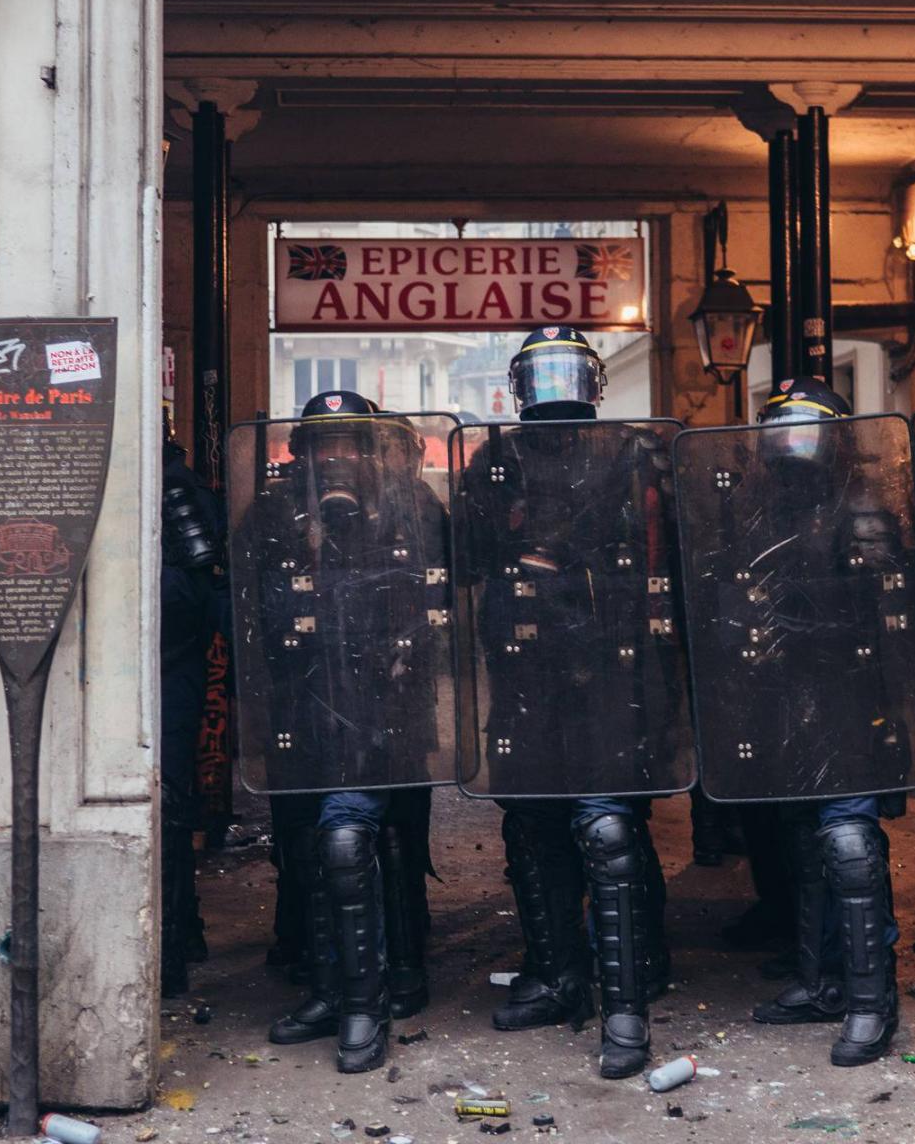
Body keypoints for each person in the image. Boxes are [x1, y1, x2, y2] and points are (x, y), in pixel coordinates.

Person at [453, 326, 680, 1079]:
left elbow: (665, 561)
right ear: (520, 384)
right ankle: (555, 973)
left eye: (567, 368)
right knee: (531, 823)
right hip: (524, 667)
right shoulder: (495, 461)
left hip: (610, 667)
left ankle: (631, 986)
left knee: (609, 823)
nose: (555, 384)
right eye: (542, 370)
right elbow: (467, 557)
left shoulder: (631, 458)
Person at [677, 376, 915, 1066]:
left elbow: (888, 624)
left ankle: (873, 1000)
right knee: (801, 843)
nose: (792, 449)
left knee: (849, 844)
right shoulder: (761, 514)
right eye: (782, 433)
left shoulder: (863, 514)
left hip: (848, 699)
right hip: (784, 702)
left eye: (805, 432)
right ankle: (819, 982)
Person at [238, 390, 450, 1074]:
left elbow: (440, 602)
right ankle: (331, 986)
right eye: (320, 445)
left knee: (379, 837)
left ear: (368, 451)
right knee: (307, 846)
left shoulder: (413, 507)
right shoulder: (273, 512)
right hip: (304, 702)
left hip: (389, 701)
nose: (334, 458)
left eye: (346, 444)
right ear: (299, 454)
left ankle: (398, 974)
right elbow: (244, 602)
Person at [160, 428, 225, 998]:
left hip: (166, 666)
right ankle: (179, 936)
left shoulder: (175, 488)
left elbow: (193, 596)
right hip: (156, 665)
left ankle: (173, 944)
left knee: (169, 806)